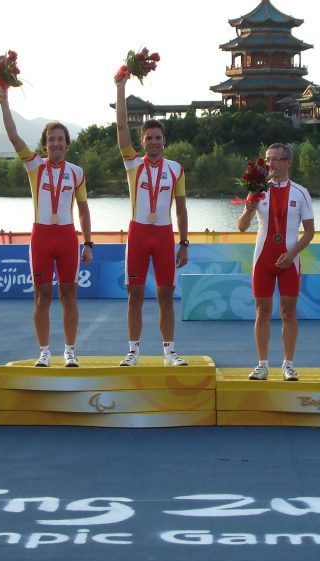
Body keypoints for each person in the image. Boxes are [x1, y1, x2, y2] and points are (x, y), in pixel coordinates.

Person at [0, 85, 93, 368]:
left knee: (69, 295)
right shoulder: (35, 166)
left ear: (67, 143)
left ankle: (70, 351)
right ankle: (44, 352)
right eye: (51, 140)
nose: (56, 144)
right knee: (42, 296)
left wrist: (88, 243)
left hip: (67, 237)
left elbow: (83, 209)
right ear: (44, 144)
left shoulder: (77, 172)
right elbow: (14, 136)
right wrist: (4, 102)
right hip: (41, 237)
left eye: (60, 139)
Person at [114, 69, 189, 367]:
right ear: (142, 141)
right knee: (134, 295)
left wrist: (184, 243)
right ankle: (133, 351)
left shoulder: (176, 169)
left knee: (166, 296)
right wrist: (121, 88)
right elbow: (121, 125)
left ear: (164, 141)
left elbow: (181, 208)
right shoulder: (132, 164)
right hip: (139, 234)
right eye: (149, 138)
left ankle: (169, 352)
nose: (154, 142)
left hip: (164, 235)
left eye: (158, 137)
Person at [237, 144, 314, 381]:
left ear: (288, 162)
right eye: (268, 159)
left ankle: (288, 365)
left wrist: (291, 254)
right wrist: (248, 210)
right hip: (263, 259)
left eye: (276, 159)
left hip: (289, 261)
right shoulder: (258, 190)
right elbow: (242, 227)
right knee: (262, 312)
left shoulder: (301, 193)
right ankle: (262, 364)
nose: (271, 164)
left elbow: (310, 232)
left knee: (288, 313)